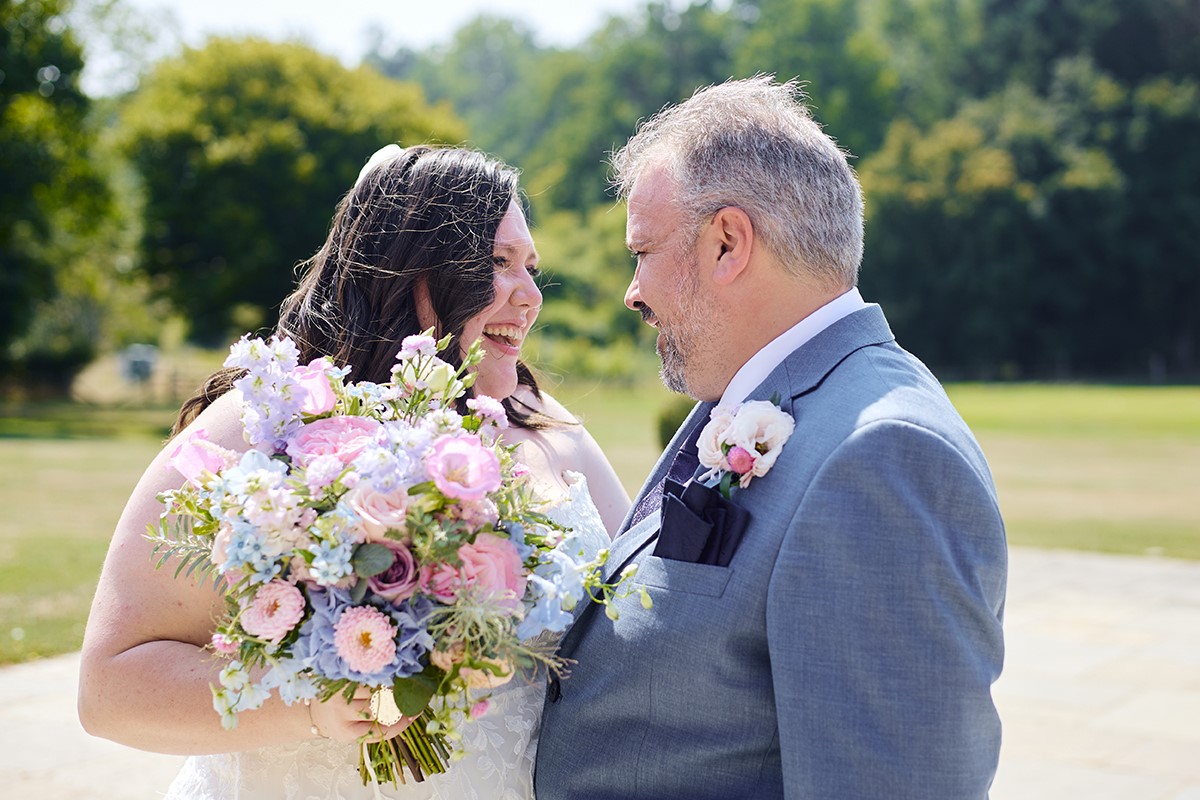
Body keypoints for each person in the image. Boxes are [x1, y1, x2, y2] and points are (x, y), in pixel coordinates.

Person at [77, 144, 630, 799]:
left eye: (531, 268)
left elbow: (639, 632)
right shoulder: (265, 424)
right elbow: (108, 688)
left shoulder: (550, 431)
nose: (531, 295)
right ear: (412, 270)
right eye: (497, 263)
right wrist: (316, 702)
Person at [534, 76, 1007, 799]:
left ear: (727, 242)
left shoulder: (882, 457)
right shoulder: (758, 393)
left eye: (644, 251)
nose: (633, 291)